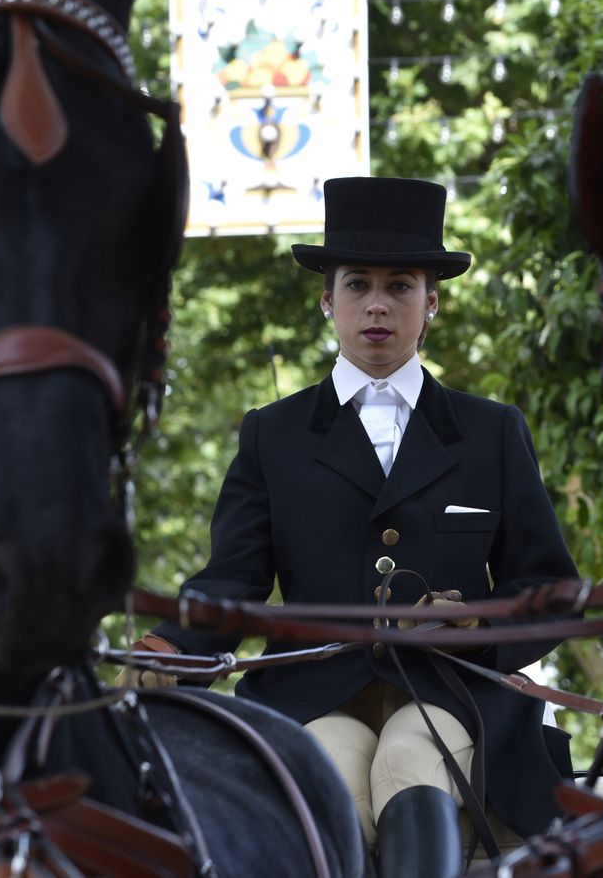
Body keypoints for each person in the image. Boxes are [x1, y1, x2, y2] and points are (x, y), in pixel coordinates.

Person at [135, 176, 579, 878]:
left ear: (431, 303)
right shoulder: (270, 436)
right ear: (326, 300)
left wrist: (482, 622)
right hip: (317, 689)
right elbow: (234, 580)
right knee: (329, 778)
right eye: (357, 285)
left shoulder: (492, 431)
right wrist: (170, 647)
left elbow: (551, 587)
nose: (377, 304)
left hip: (452, 690)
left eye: (400, 285)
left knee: (408, 762)